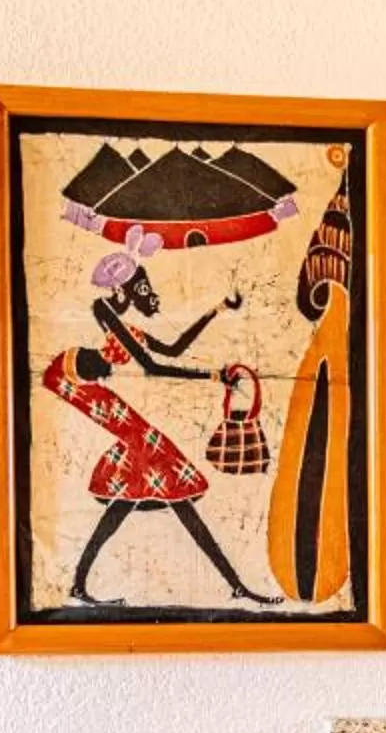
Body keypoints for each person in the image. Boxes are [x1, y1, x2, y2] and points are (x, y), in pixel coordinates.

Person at [41, 237, 280, 608]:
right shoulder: (104, 308)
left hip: (94, 388)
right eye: (139, 287)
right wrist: (212, 376)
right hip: (72, 380)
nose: (148, 294)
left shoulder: (127, 327)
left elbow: (174, 349)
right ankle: (235, 585)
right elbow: (152, 367)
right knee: (155, 454)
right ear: (119, 289)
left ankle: (79, 585)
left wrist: (216, 310)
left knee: (148, 476)